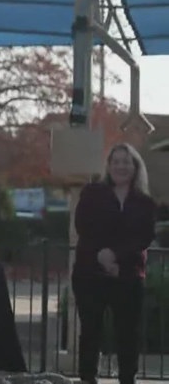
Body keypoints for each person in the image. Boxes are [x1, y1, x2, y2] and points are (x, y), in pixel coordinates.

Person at [72, 143, 157, 384]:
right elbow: (83, 226)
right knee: (90, 332)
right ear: (108, 166)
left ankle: (127, 379)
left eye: (126, 162)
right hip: (90, 273)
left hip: (128, 274)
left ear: (135, 167)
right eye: (116, 161)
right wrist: (101, 255)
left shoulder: (144, 202)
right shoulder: (92, 193)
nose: (121, 166)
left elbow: (144, 236)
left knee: (128, 334)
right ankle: (88, 378)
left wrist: (117, 256)